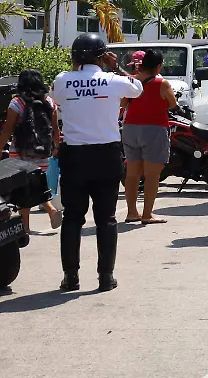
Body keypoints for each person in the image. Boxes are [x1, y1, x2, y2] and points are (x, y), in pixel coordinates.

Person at [53, 33, 143, 291]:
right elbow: (137, 89)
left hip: (74, 156)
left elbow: (57, 99)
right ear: (103, 57)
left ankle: (71, 277)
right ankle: (106, 277)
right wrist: (115, 67)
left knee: (72, 218)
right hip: (106, 155)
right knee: (106, 218)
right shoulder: (113, 80)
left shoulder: (62, 80)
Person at [0, 69, 62, 232]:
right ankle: (50, 210)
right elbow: (55, 129)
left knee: (22, 189)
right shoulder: (50, 102)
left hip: (20, 153)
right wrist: (57, 147)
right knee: (36, 184)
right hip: (42, 153)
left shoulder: (17, 103)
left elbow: (8, 129)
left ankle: (26, 227)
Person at [121, 49, 177, 225]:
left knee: (132, 173)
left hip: (130, 128)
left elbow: (123, 102)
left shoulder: (132, 80)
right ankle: (147, 214)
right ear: (158, 66)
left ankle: (131, 212)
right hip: (154, 128)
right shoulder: (162, 83)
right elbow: (172, 103)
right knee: (152, 175)